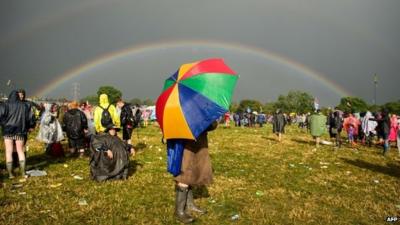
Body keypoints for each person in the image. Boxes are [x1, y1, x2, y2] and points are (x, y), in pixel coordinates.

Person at [172, 121, 218, 224]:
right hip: (185, 147)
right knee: (184, 177)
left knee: (192, 176)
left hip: (199, 146)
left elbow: (212, 126)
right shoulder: (181, 111)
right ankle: (179, 211)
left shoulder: (200, 109)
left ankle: (190, 205)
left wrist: (211, 121)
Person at [0, 90, 35, 178]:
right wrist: (31, 126)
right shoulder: (25, 105)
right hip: (20, 131)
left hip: (7, 131)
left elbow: (1, 117)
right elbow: (30, 118)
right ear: (17, 96)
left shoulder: (4, 105)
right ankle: (23, 173)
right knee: (20, 151)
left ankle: (10, 174)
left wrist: (4, 125)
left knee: (8, 151)